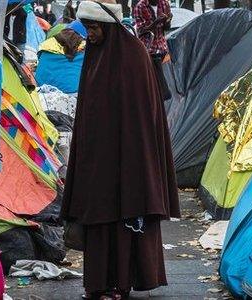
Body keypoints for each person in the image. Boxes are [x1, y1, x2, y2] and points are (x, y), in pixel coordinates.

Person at [63, 0, 180, 299]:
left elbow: (143, 115)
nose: (90, 34)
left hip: (129, 157)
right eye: (87, 27)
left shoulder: (134, 56)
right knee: (99, 218)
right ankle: (97, 284)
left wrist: (133, 156)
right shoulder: (95, 54)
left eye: (94, 27)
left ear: (109, 26)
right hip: (99, 155)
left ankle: (121, 284)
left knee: (122, 218)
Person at [134, 0, 172, 100]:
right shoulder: (140, 6)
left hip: (162, 48)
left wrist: (168, 20)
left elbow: (167, 27)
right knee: (157, 87)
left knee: (157, 84)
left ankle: (161, 97)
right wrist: (156, 22)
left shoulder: (164, 3)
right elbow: (141, 31)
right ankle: (163, 95)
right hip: (148, 49)